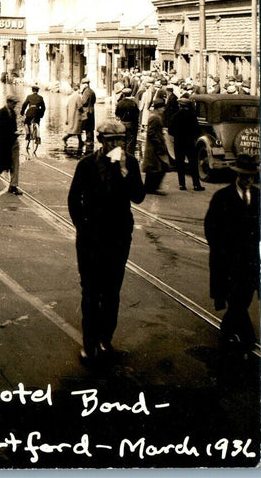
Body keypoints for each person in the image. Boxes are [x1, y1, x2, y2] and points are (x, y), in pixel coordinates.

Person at [68, 119, 145, 365]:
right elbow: (73, 199)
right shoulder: (86, 165)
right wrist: (82, 226)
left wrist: (125, 174)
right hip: (90, 238)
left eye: (120, 140)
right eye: (111, 140)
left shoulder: (130, 163)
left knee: (112, 291)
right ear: (101, 140)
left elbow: (139, 197)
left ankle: (105, 340)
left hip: (118, 237)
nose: (117, 144)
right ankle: (89, 344)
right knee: (90, 291)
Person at [204, 154, 260, 358]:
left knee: (243, 299)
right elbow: (211, 228)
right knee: (236, 299)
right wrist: (221, 250)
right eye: (244, 176)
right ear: (237, 175)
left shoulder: (260, 197)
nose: (248, 180)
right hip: (228, 261)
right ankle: (246, 339)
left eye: (251, 176)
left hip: (251, 261)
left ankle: (228, 330)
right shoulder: (222, 197)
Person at [168, 93, 205, 191]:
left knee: (180, 164)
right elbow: (197, 130)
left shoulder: (175, 116)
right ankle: (196, 185)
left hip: (178, 142)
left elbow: (170, 131)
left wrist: (177, 135)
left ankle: (182, 185)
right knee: (193, 163)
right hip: (189, 142)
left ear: (180, 106)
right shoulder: (192, 116)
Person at [142, 97, 171, 192]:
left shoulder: (154, 116)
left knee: (154, 167)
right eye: (162, 107)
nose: (164, 110)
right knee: (157, 167)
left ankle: (150, 187)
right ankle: (151, 188)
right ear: (158, 108)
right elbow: (152, 133)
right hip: (154, 147)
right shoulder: (155, 118)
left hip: (153, 146)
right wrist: (159, 143)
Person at [115, 87, 139, 155]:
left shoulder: (120, 103)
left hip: (122, 123)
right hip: (131, 123)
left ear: (123, 94)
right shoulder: (133, 103)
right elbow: (137, 114)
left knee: (123, 140)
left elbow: (117, 113)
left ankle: (123, 154)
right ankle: (129, 155)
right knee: (131, 141)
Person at [20, 85, 46, 149]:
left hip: (30, 112)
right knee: (37, 122)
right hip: (37, 113)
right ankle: (38, 138)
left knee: (26, 122)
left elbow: (24, 105)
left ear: (32, 90)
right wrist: (41, 114)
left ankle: (28, 134)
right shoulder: (40, 97)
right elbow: (43, 108)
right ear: (38, 91)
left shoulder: (29, 96)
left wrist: (22, 112)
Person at [63, 85, 84, 152]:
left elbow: (67, 107)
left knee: (76, 130)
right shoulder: (78, 97)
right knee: (75, 129)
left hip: (71, 115)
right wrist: (83, 111)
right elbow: (80, 107)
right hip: (76, 116)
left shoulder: (71, 97)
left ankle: (81, 141)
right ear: (78, 89)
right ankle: (65, 138)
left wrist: (67, 117)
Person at [79, 78, 96, 148]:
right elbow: (94, 101)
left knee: (87, 126)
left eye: (82, 84)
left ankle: (89, 140)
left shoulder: (86, 92)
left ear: (85, 84)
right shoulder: (92, 91)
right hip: (92, 110)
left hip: (87, 111)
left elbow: (83, 102)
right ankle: (91, 140)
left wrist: (81, 96)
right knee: (90, 127)